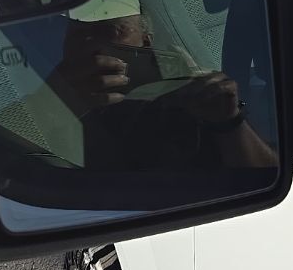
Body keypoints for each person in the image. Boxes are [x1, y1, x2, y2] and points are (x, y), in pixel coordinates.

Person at [47, 13, 277, 170]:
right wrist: (54, 101)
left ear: (147, 41)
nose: (91, 44)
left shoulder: (189, 100)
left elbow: (264, 174)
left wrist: (228, 121)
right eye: (78, 34)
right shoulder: (51, 98)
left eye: (110, 30)